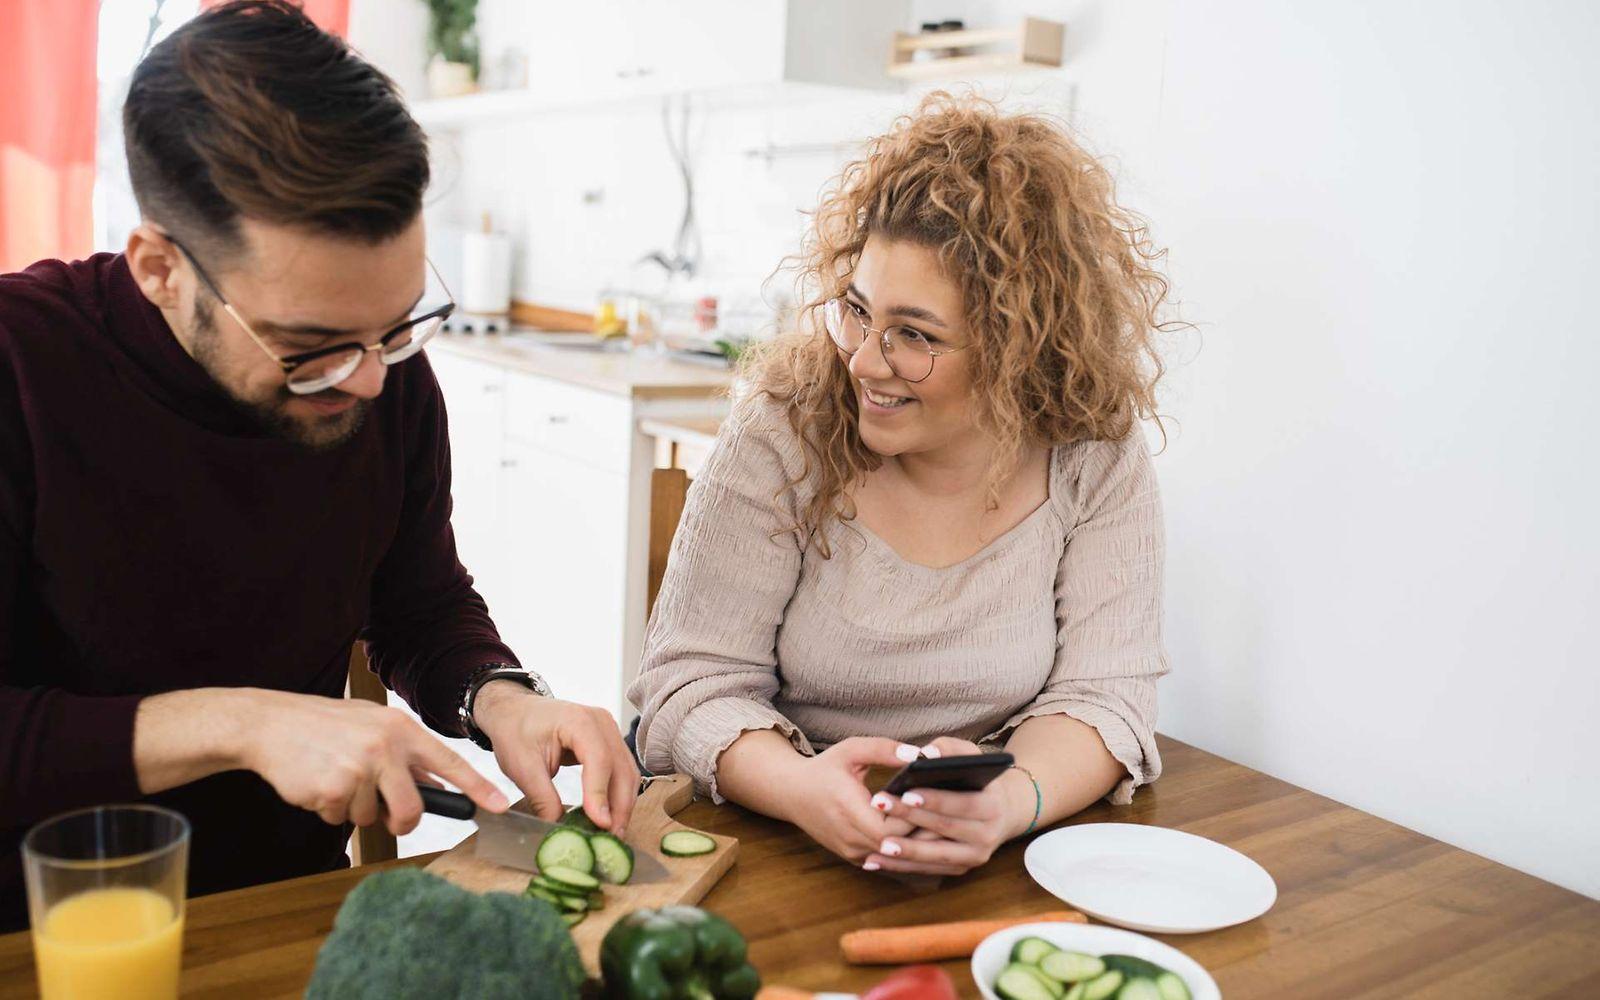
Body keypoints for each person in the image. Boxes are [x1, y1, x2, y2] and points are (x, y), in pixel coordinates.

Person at [0, 1, 637, 931]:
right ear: (158, 269)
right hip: (41, 931)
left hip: (286, 907)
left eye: (398, 323)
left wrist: (499, 697)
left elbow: (416, 601)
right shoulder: (22, 367)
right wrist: (246, 725)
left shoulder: (377, 374)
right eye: (312, 346)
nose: (372, 380)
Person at [630, 94, 1171, 877]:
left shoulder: (1094, 457)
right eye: (857, 311)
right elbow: (688, 685)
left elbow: (1106, 696)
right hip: (772, 841)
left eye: (914, 335)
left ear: (1019, 347)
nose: (864, 360)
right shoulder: (783, 434)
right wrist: (799, 786)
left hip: (991, 857)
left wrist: (1012, 799)